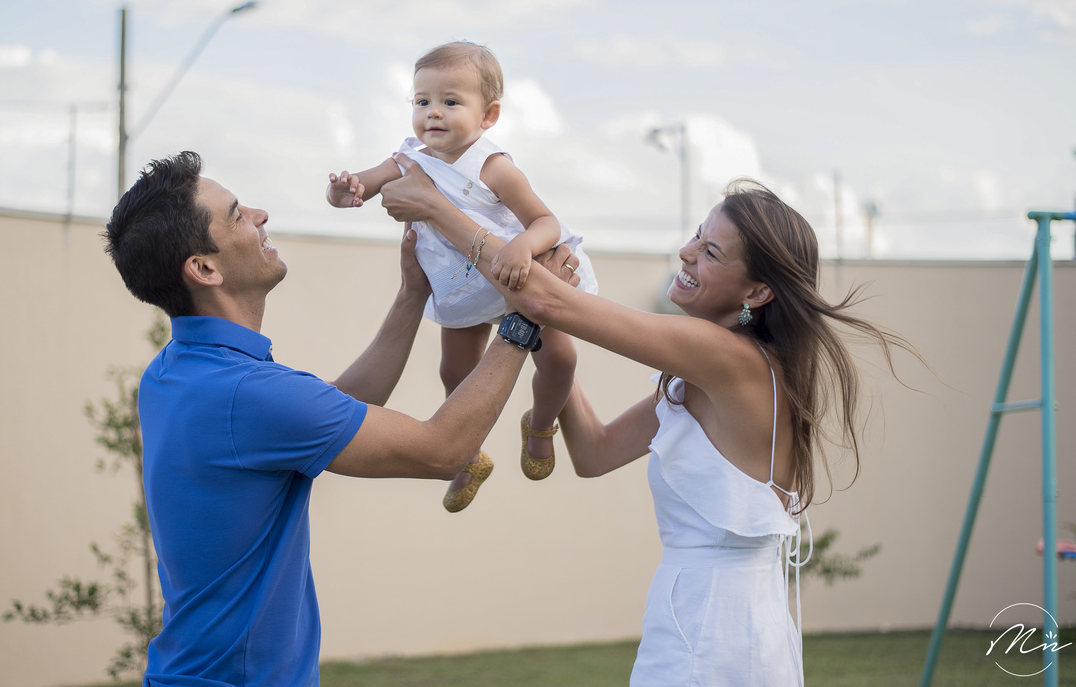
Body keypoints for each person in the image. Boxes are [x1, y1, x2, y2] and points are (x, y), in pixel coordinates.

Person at [380, 158, 916, 686]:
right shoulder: (706, 377)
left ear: (756, 293)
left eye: (710, 252)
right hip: (716, 617)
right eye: (697, 235)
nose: (686, 252)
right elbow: (594, 452)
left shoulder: (726, 357)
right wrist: (550, 333)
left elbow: (543, 298)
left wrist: (437, 206)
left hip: (713, 630)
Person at [102, 151, 534, 687]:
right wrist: (525, 316)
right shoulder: (246, 394)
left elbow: (332, 410)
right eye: (237, 215)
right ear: (205, 269)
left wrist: (412, 295)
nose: (260, 215)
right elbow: (442, 451)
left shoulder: (174, 372)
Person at [325, 41, 597, 511]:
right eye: (422, 101)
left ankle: (540, 424)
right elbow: (360, 188)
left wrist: (522, 245)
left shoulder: (493, 167)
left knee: (561, 359)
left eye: (450, 101)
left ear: (488, 115)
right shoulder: (408, 158)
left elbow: (546, 222)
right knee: (454, 371)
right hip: (461, 284)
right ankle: (469, 454)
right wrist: (342, 191)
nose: (433, 112)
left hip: (513, 273)